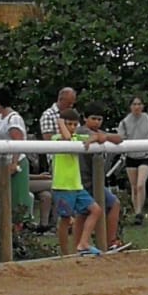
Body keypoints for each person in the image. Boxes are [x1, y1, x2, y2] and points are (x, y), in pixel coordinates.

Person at [52, 107, 104, 257]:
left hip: (76, 185)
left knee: (95, 210)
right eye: (69, 124)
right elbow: (66, 138)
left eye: (75, 125)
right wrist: (60, 122)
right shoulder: (56, 139)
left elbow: (97, 137)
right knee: (66, 219)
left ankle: (83, 243)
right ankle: (65, 253)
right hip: (62, 186)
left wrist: (91, 139)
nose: (73, 128)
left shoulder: (77, 138)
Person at [77, 105, 125, 249]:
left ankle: (110, 241)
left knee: (113, 204)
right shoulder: (81, 131)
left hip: (95, 182)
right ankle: (80, 245)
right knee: (83, 214)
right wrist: (99, 137)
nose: (97, 122)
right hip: (84, 181)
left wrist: (105, 136)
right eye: (93, 118)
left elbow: (119, 138)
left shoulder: (98, 132)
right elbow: (91, 137)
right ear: (85, 118)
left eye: (100, 119)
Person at [0, 87, 34, 228]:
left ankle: (20, 230)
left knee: (17, 200)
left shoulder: (14, 119)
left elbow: (18, 142)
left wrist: (14, 164)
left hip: (15, 164)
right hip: (1, 165)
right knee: (5, 200)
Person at [117, 96, 148, 223]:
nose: (137, 107)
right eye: (134, 104)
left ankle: (140, 212)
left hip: (145, 156)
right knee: (134, 186)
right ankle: (137, 212)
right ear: (130, 106)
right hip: (131, 157)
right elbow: (120, 139)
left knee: (141, 184)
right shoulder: (124, 122)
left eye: (139, 104)